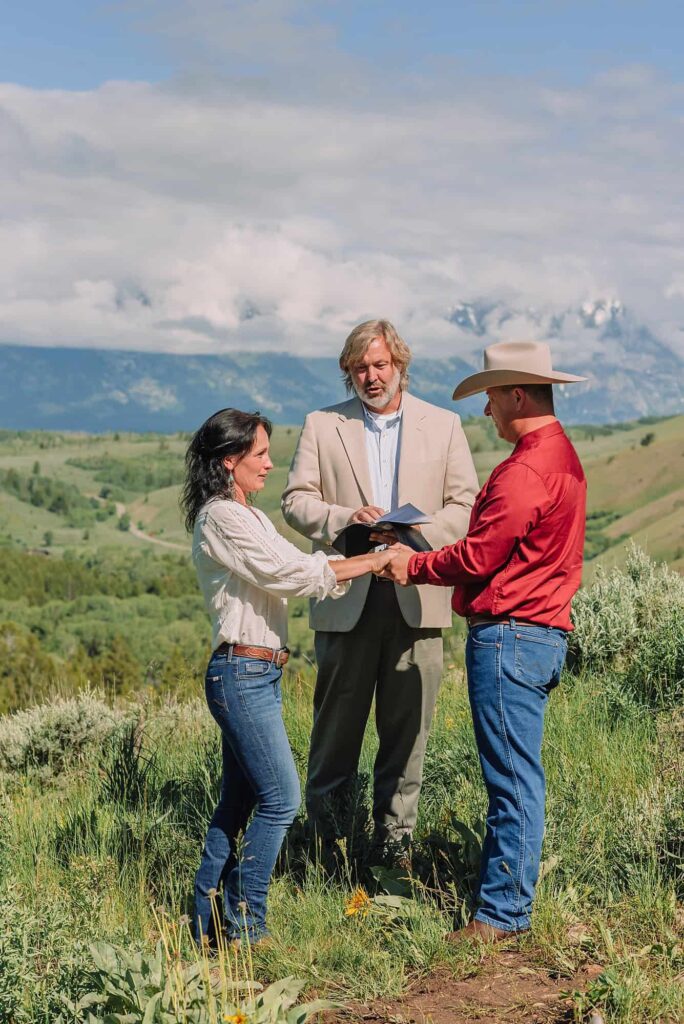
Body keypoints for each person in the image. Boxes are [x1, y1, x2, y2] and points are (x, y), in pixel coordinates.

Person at [381, 340, 587, 939]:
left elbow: (479, 556)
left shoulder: (523, 469)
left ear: (517, 394)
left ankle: (501, 914)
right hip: (541, 633)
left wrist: (409, 565)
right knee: (521, 774)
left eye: (492, 398)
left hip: (510, 637)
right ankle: (508, 904)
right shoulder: (563, 457)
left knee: (511, 780)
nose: (487, 411)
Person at [181, 407, 395, 946]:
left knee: (238, 801)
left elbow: (301, 564)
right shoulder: (222, 519)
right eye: (259, 455)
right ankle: (247, 924)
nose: (270, 464)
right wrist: (371, 564)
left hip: (256, 673)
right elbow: (288, 574)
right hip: (241, 673)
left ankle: (204, 920)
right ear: (230, 462)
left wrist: (355, 538)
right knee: (282, 799)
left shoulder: (248, 515)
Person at [281, 319, 478, 846]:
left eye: (380, 365)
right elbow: (295, 502)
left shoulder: (444, 425)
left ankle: (396, 848)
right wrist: (346, 517)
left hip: (419, 596)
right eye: (360, 367)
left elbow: (466, 506)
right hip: (347, 597)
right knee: (334, 735)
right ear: (349, 372)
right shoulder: (323, 425)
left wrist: (415, 532)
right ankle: (327, 848)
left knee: (408, 733)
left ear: (400, 366)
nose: (371, 376)